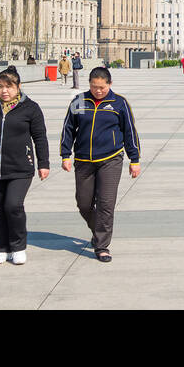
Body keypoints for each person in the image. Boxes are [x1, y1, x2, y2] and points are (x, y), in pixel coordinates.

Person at [0, 66, 50, 265]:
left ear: (19, 87)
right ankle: (2, 248)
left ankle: (19, 247)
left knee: (13, 206)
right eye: (0, 86)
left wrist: (43, 163)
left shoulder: (31, 108)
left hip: (21, 168)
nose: (4, 91)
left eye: (9, 87)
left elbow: (40, 138)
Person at [60, 67, 141, 262]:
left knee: (106, 203)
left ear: (110, 85)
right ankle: (98, 229)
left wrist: (135, 159)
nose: (98, 91)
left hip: (110, 159)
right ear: (89, 85)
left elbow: (130, 131)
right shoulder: (79, 101)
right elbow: (68, 129)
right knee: (84, 203)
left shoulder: (119, 103)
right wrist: (65, 154)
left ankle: (102, 245)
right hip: (83, 160)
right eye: (94, 87)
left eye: (102, 87)